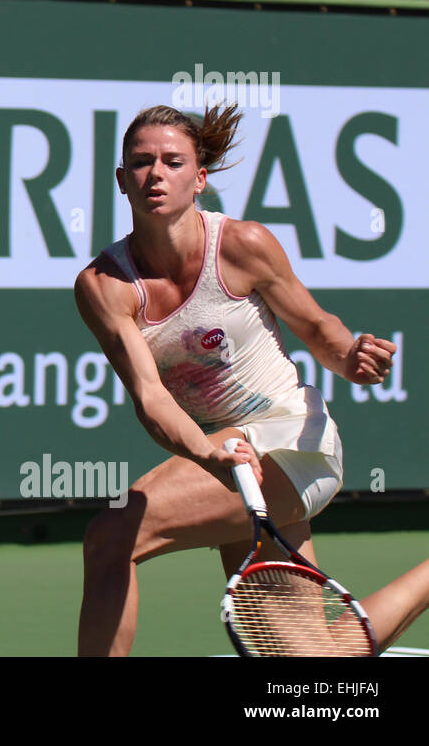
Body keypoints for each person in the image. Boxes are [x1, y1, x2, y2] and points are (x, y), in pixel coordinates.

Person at [73, 103, 429, 656]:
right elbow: (150, 398)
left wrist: (350, 353)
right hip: (225, 460)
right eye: (142, 163)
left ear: (200, 178)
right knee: (310, 665)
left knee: (111, 537)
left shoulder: (243, 244)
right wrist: (207, 455)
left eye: (172, 161)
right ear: (122, 180)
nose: (156, 174)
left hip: (291, 442)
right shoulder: (104, 285)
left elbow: (317, 328)